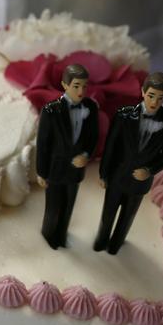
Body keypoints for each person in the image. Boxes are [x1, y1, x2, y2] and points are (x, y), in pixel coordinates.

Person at [94, 72, 163, 255]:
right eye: (151, 96)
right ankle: (100, 243)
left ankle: (115, 247)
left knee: (127, 218)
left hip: (140, 182)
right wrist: (103, 174)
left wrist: (150, 170)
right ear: (143, 91)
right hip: (117, 176)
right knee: (107, 214)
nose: (154, 102)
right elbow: (111, 147)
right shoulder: (123, 115)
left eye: (160, 98)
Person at [36, 64, 99, 249]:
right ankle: (48, 239)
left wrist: (86, 155)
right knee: (53, 208)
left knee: (68, 207)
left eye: (84, 86)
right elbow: (43, 144)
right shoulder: (51, 110)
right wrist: (41, 172)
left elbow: (93, 137)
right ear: (65, 85)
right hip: (55, 169)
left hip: (76, 170)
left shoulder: (91, 107)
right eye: (76, 86)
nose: (81, 91)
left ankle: (61, 237)